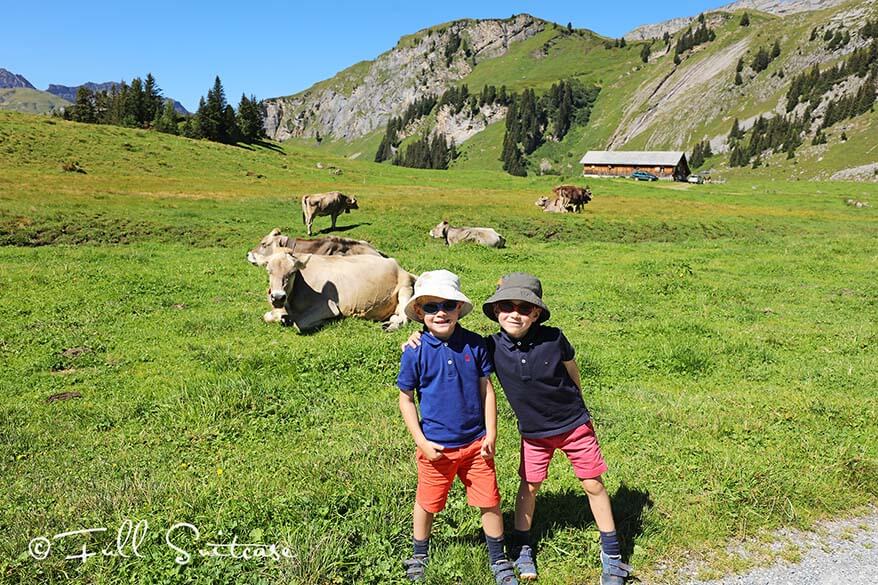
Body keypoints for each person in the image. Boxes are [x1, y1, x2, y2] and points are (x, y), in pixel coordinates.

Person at [404, 273, 632, 584]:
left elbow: (572, 372)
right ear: (495, 310)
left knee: (593, 483)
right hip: (533, 434)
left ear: (536, 313)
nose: (515, 313)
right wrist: (414, 337)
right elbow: (444, 353)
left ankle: (612, 554)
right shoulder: (489, 346)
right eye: (507, 306)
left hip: (574, 425)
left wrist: (582, 410)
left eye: (525, 308)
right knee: (529, 485)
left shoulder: (552, 339)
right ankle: (522, 545)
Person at [397, 270, 519, 585]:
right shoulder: (415, 351)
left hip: (477, 444)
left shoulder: (475, 344)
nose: (440, 313)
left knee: (489, 500)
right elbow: (406, 399)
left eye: (448, 305)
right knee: (427, 502)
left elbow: (487, 390)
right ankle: (419, 554)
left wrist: (491, 433)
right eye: (431, 307)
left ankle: (498, 558)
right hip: (436, 448)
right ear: (419, 312)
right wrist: (422, 442)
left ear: (458, 309)